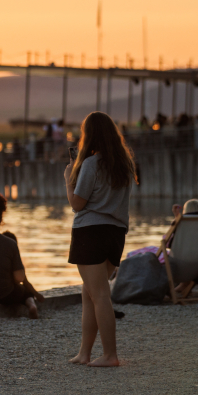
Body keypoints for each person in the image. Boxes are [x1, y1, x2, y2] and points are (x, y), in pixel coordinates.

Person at [64, 111, 137, 367]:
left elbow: (77, 204)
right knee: (90, 293)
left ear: (89, 135)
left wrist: (68, 179)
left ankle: (109, 355)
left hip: (90, 232)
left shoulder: (91, 165)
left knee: (100, 295)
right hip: (115, 233)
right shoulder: (124, 165)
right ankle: (85, 353)